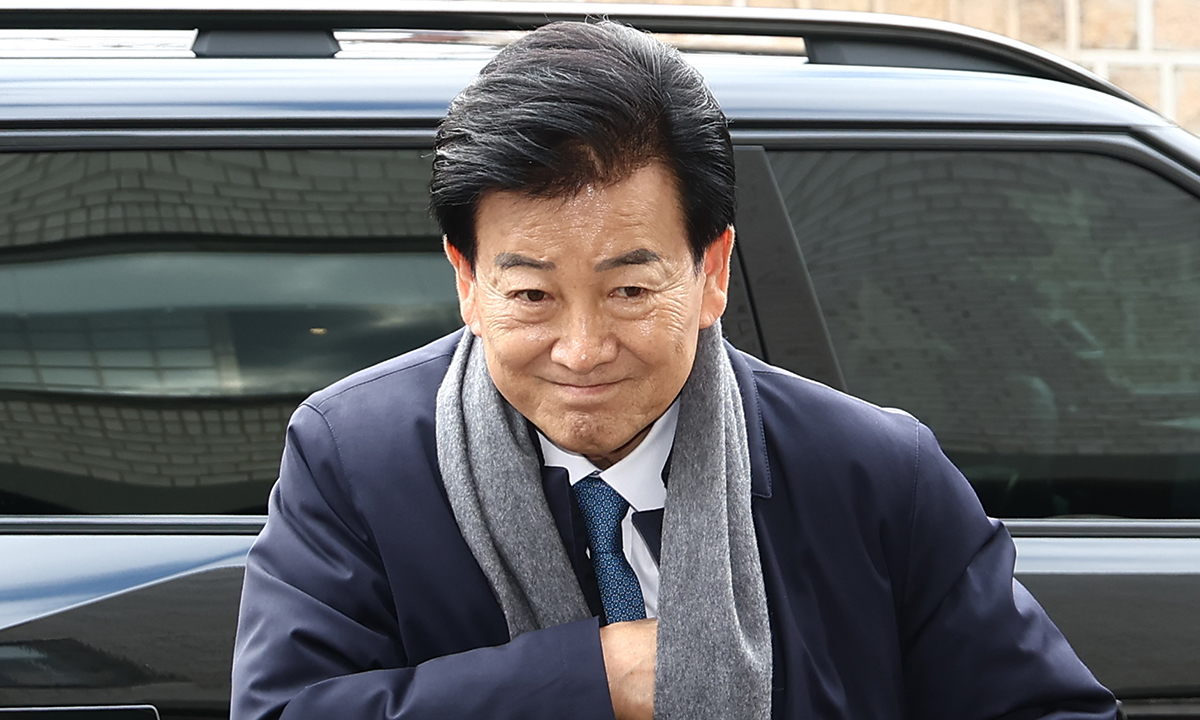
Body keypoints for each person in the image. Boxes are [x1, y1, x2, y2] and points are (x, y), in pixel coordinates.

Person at [230, 20, 1118, 720]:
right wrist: (592, 681)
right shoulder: (355, 459)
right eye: (532, 295)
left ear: (712, 271)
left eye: (628, 290)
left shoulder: (874, 474)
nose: (582, 349)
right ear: (467, 281)